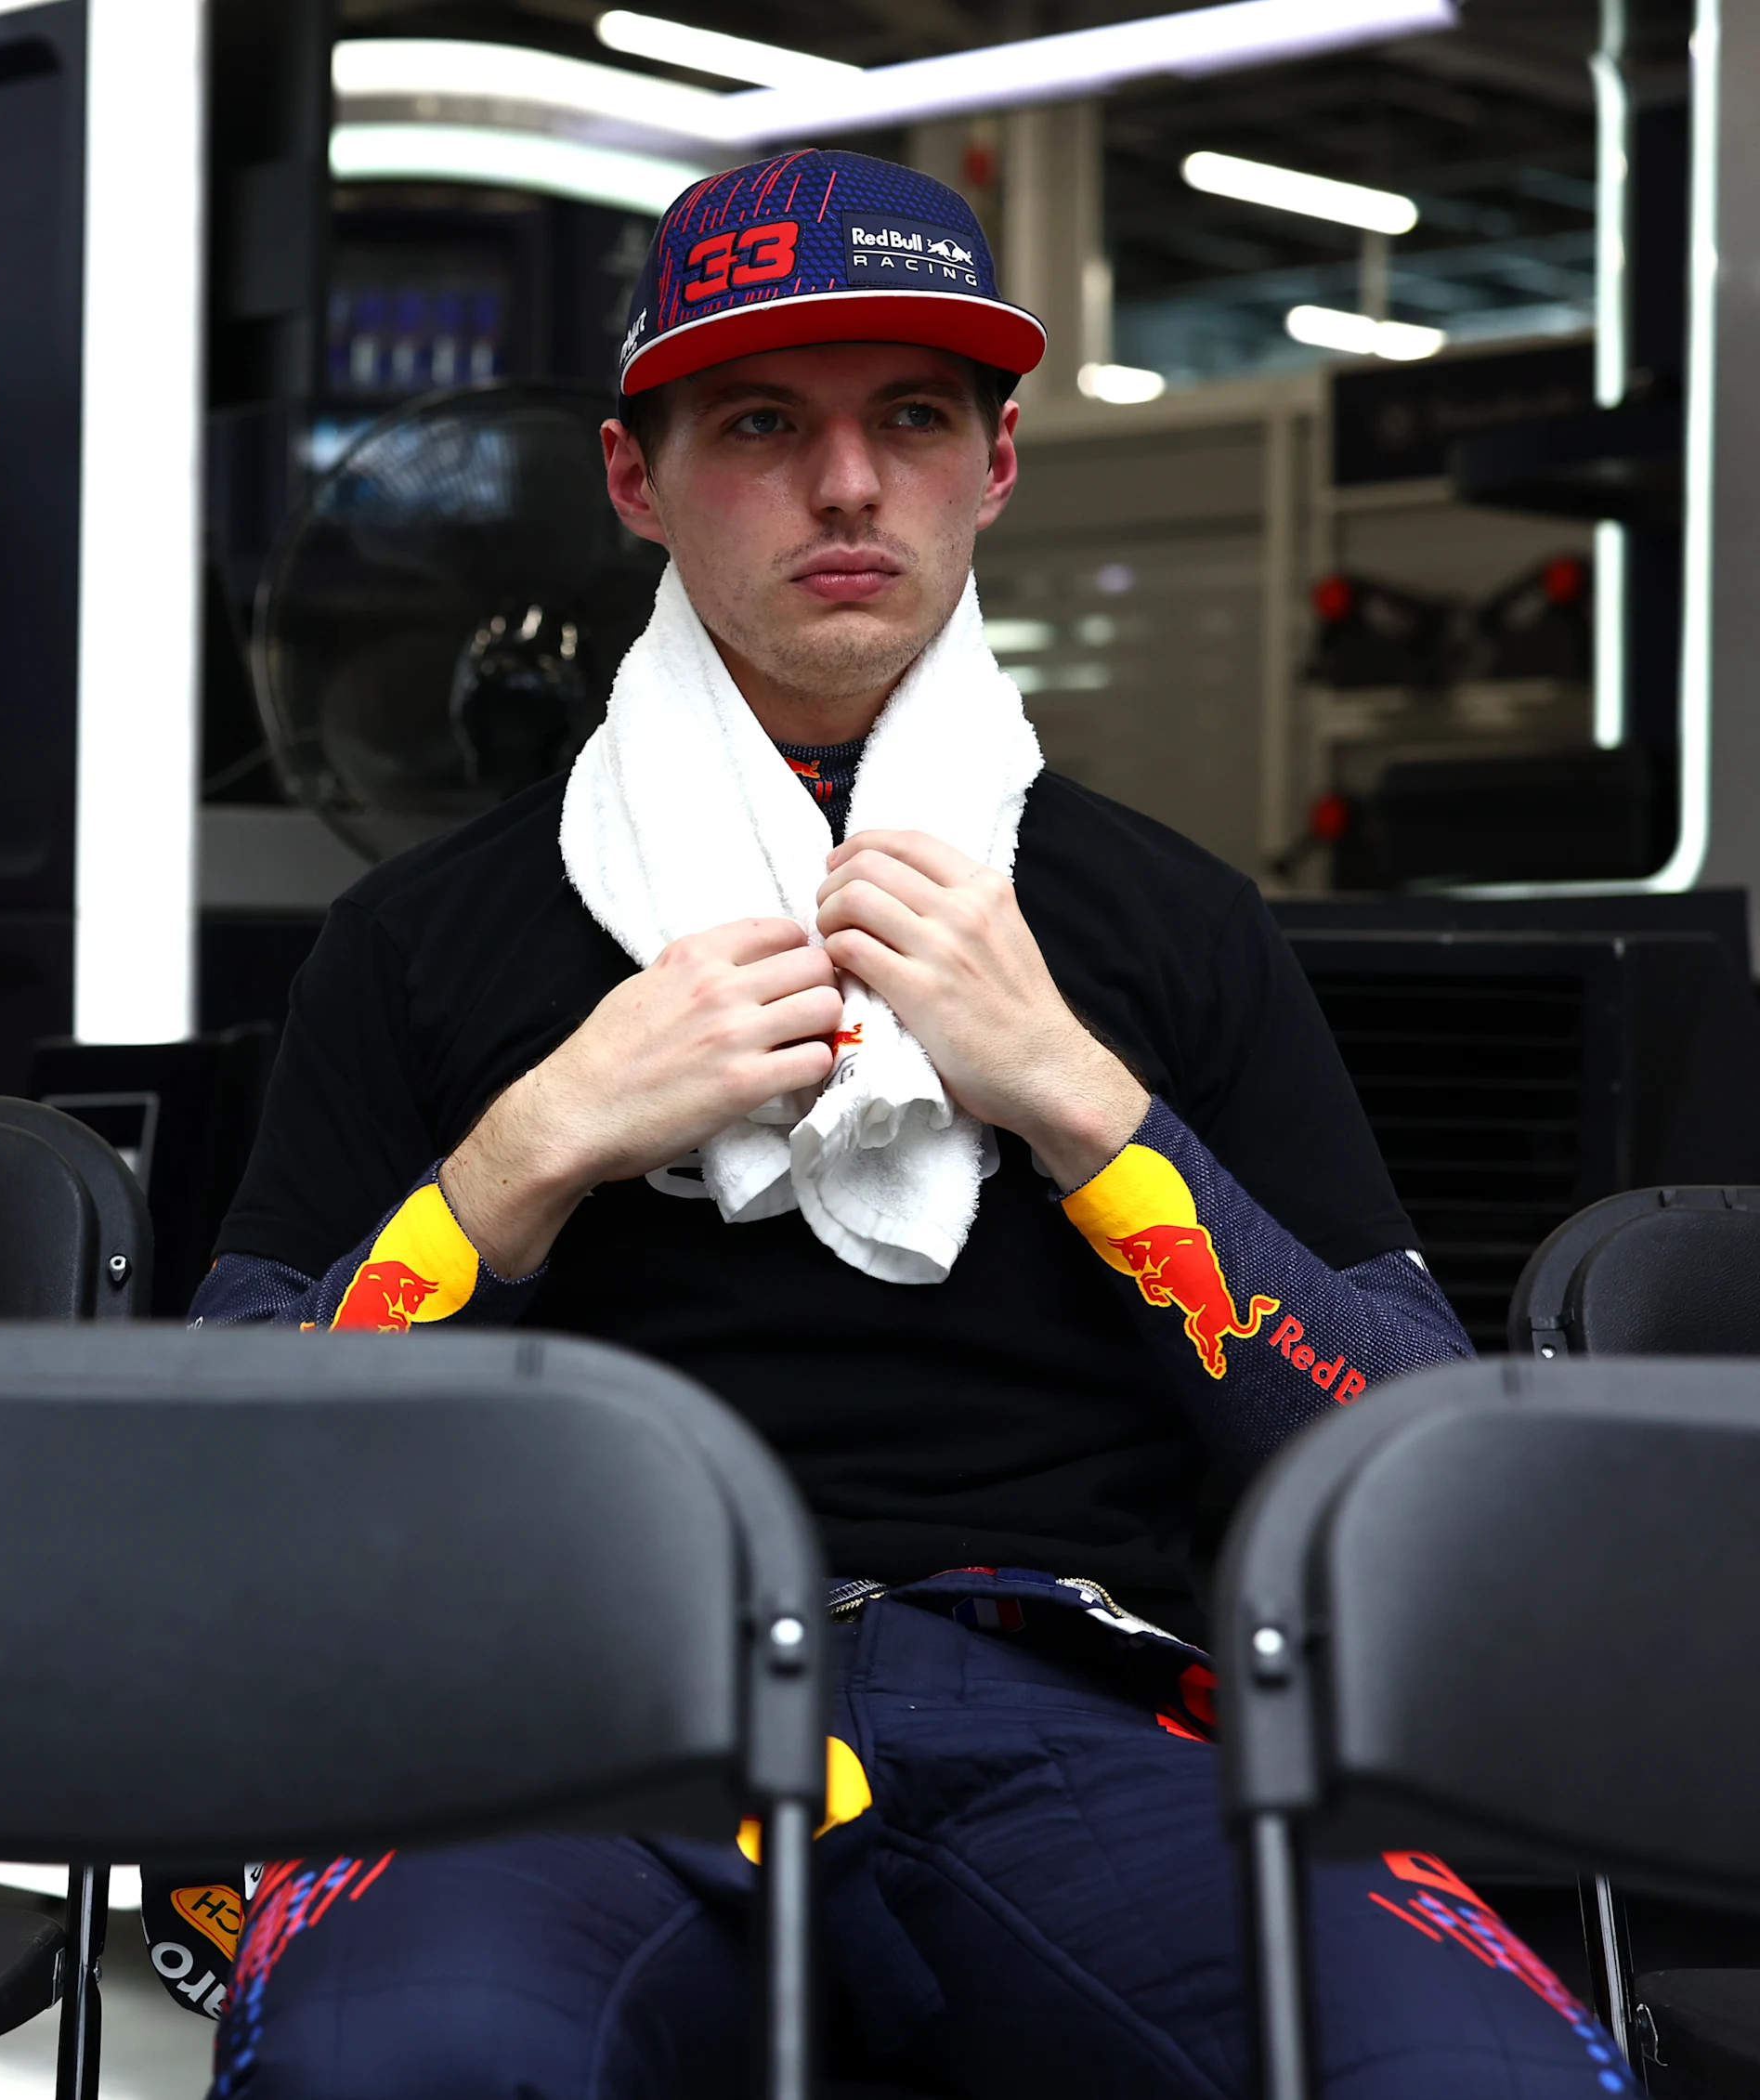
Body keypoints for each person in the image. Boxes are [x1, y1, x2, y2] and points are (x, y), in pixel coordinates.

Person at [193, 151, 1630, 2100]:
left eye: (912, 419)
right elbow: (215, 1485)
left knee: (1474, 2076)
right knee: (396, 2064)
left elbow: (1407, 1472)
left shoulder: (1160, 923)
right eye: (764, 422)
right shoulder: (421, 938)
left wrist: (1077, 1097)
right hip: (562, 1686)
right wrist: (522, 1152)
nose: (848, 485)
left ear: (996, 466)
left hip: (1071, 1694)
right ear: (635, 475)